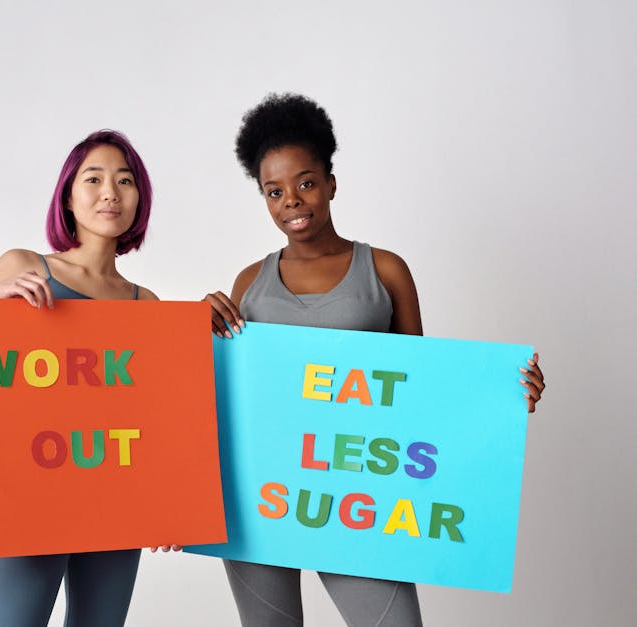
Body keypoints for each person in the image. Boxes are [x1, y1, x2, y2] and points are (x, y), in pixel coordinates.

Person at [203, 93, 545, 627]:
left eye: (306, 182)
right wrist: (194, 327)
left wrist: (502, 397)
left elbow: (422, 387)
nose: (291, 200)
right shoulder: (248, 282)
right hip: (261, 499)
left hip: (359, 499)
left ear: (332, 182)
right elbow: (225, 393)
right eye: (274, 191)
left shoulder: (384, 270)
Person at [0, 129, 157, 627]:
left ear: (138, 199)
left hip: (116, 501)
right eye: (93, 178)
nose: (109, 192)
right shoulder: (22, 267)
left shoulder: (148, 306)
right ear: (68, 196)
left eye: (125, 180)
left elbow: (159, 418)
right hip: (30, 493)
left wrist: (173, 502)